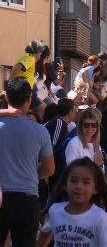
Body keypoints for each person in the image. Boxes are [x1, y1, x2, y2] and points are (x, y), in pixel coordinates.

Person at [0, 77, 55, 246]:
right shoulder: (39, 131)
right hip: (27, 197)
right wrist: (30, 172)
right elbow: (49, 168)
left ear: (6, 98)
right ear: (29, 99)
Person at [35, 158, 107, 247]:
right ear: (65, 185)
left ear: (96, 188)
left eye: (86, 182)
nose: (79, 186)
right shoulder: (55, 211)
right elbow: (45, 233)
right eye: (73, 181)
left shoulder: (99, 217)